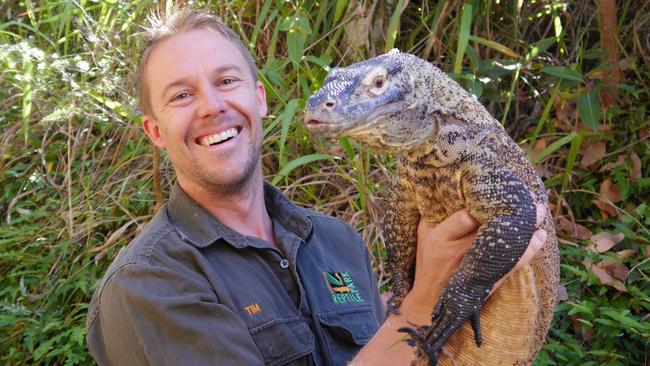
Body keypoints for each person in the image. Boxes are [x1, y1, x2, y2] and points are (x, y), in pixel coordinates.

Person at [85, 7, 548, 366]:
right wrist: (424, 302)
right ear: (155, 131)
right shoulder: (148, 285)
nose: (211, 106)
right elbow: (408, 321)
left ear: (259, 99)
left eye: (227, 81)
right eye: (182, 95)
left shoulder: (335, 242)